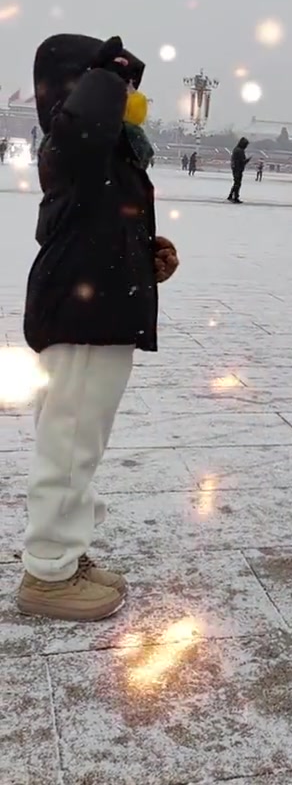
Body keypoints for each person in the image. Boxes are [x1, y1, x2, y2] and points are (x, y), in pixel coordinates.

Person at [19, 34, 179, 620]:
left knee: (79, 445)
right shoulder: (74, 144)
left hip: (99, 308)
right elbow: (85, 124)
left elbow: (100, 226)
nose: (132, 97)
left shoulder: (106, 154)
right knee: (69, 446)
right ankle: (49, 574)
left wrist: (148, 254)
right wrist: (109, 71)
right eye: (120, 86)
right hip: (82, 315)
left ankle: (67, 553)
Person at [228, 137, 250, 203]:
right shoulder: (240, 151)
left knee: (236, 183)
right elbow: (242, 161)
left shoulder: (236, 149)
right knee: (237, 183)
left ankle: (231, 195)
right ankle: (235, 197)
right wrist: (247, 160)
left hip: (235, 168)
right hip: (238, 169)